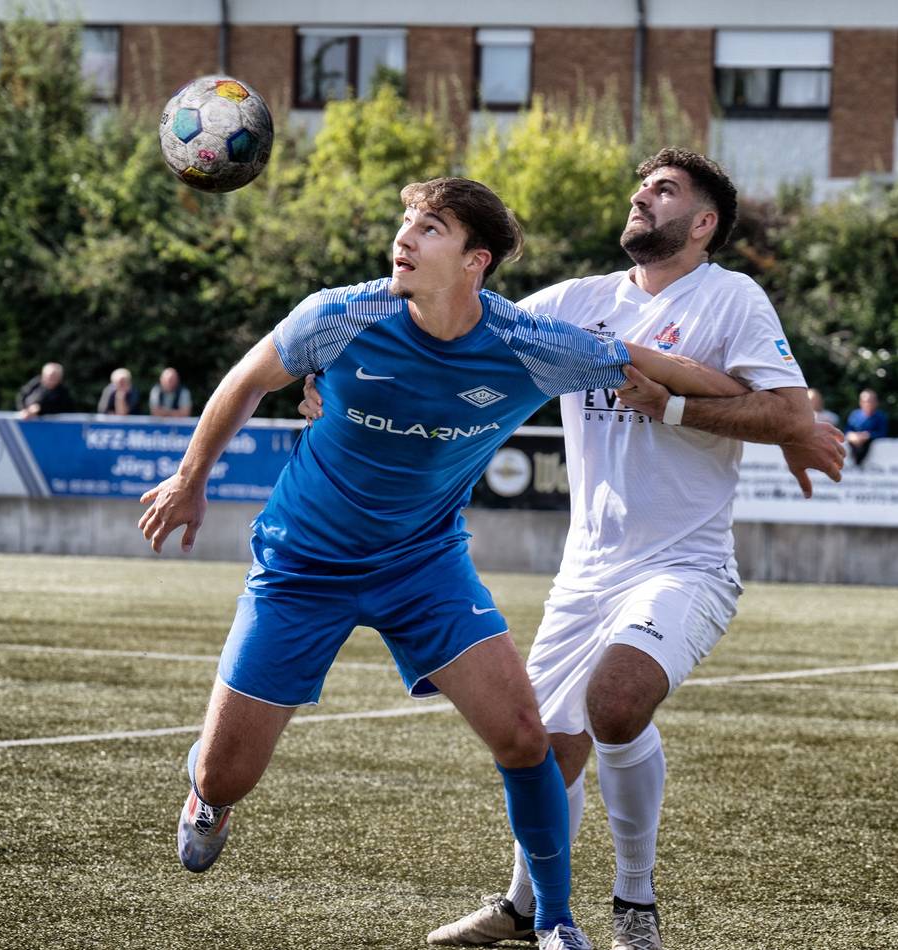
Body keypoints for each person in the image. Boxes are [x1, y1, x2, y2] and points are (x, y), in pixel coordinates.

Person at [138, 177, 752, 950]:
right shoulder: (340, 313)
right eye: (406, 223)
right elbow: (247, 380)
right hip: (302, 567)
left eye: (429, 229)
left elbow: (647, 360)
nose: (404, 239)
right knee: (230, 774)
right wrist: (191, 481)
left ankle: (555, 921)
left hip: (424, 567)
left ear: (475, 261)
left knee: (525, 736)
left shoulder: (528, 344)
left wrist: (751, 403)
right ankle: (206, 793)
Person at [301, 152, 845, 950]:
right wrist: (332, 369)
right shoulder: (578, 304)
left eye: (662, 191)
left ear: (703, 225)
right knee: (542, 758)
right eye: (641, 185)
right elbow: (457, 322)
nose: (639, 196)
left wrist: (676, 406)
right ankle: (525, 907)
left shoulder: (733, 297)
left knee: (617, 704)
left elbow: (788, 412)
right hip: (585, 572)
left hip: (684, 564)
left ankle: (636, 907)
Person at [844, 388, 888, 466]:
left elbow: (882, 433)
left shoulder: (881, 416)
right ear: (860, 402)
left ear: (876, 402)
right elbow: (847, 431)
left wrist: (868, 435)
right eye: (865, 401)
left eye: (871, 401)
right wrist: (853, 436)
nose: (868, 403)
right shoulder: (854, 415)